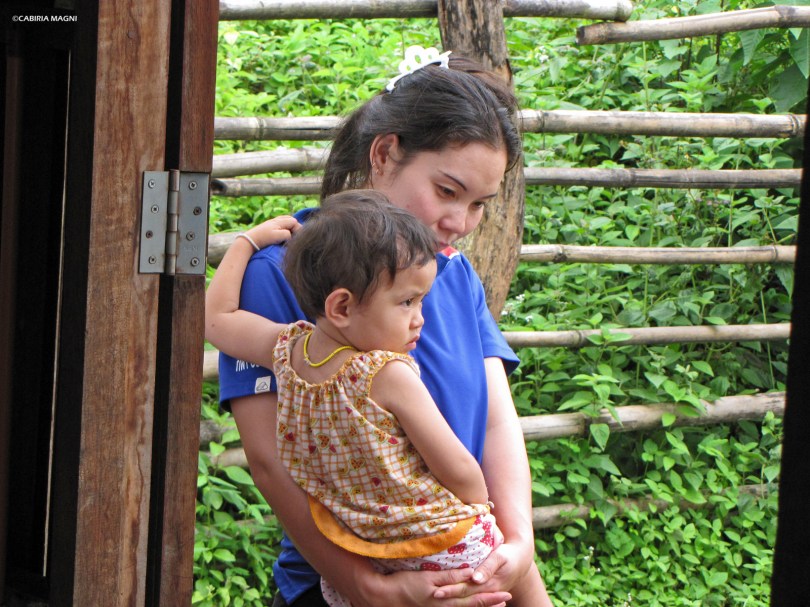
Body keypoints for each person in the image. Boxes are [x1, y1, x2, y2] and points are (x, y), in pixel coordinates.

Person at [207, 46, 553, 607]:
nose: (459, 224)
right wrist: (364, 587)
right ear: (385, 153)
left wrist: (517, 544)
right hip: (356, 579)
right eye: (447, 191)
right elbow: (270, 461)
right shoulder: (283, 272)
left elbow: (494, 420)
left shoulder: (454, 271)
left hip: (469, 557)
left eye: (479, 204)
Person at [207, 191, 508, 606]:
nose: (419, 317)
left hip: (356, 550)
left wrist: (246, 242)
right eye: (407, 302)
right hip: (442, 549)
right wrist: (481, 508)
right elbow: (457, 467)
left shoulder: (288, 352)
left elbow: (217, 320)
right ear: (342, 306)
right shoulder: (388, 374)